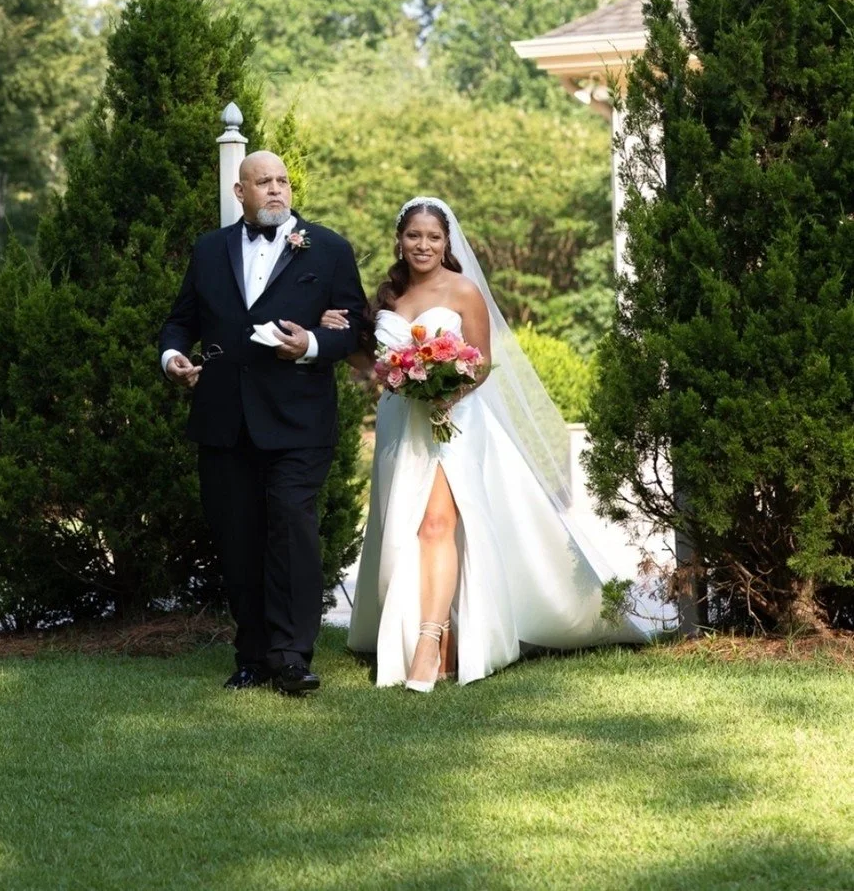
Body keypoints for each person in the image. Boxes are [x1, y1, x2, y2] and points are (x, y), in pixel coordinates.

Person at [323, 196, 650, 690]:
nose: (423, 245)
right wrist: (345, 341)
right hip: (399, 426)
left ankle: (430, 645)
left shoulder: (464, 291)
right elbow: (372, 367)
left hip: (453, 421)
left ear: (447, 242)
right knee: (404, 531)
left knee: (437, 525)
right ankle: (432, 634)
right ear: (400, 240)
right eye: (414, 236)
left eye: (434, 237)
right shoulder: (386, 298)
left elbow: (480, 363)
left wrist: (441, 390)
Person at [159, 151, 367, 695]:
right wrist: (172, 359)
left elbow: (356, 331)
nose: (275, 190)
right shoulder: (209, 250)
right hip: (224, 419)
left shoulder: (329, 248)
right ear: (240, 192)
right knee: (239, 538)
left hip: (299, 420)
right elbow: (180, 322)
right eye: (263, 182)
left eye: (282, 181)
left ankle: (292, 656)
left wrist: (313, 344)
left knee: (292, 531)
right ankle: (250, 654)